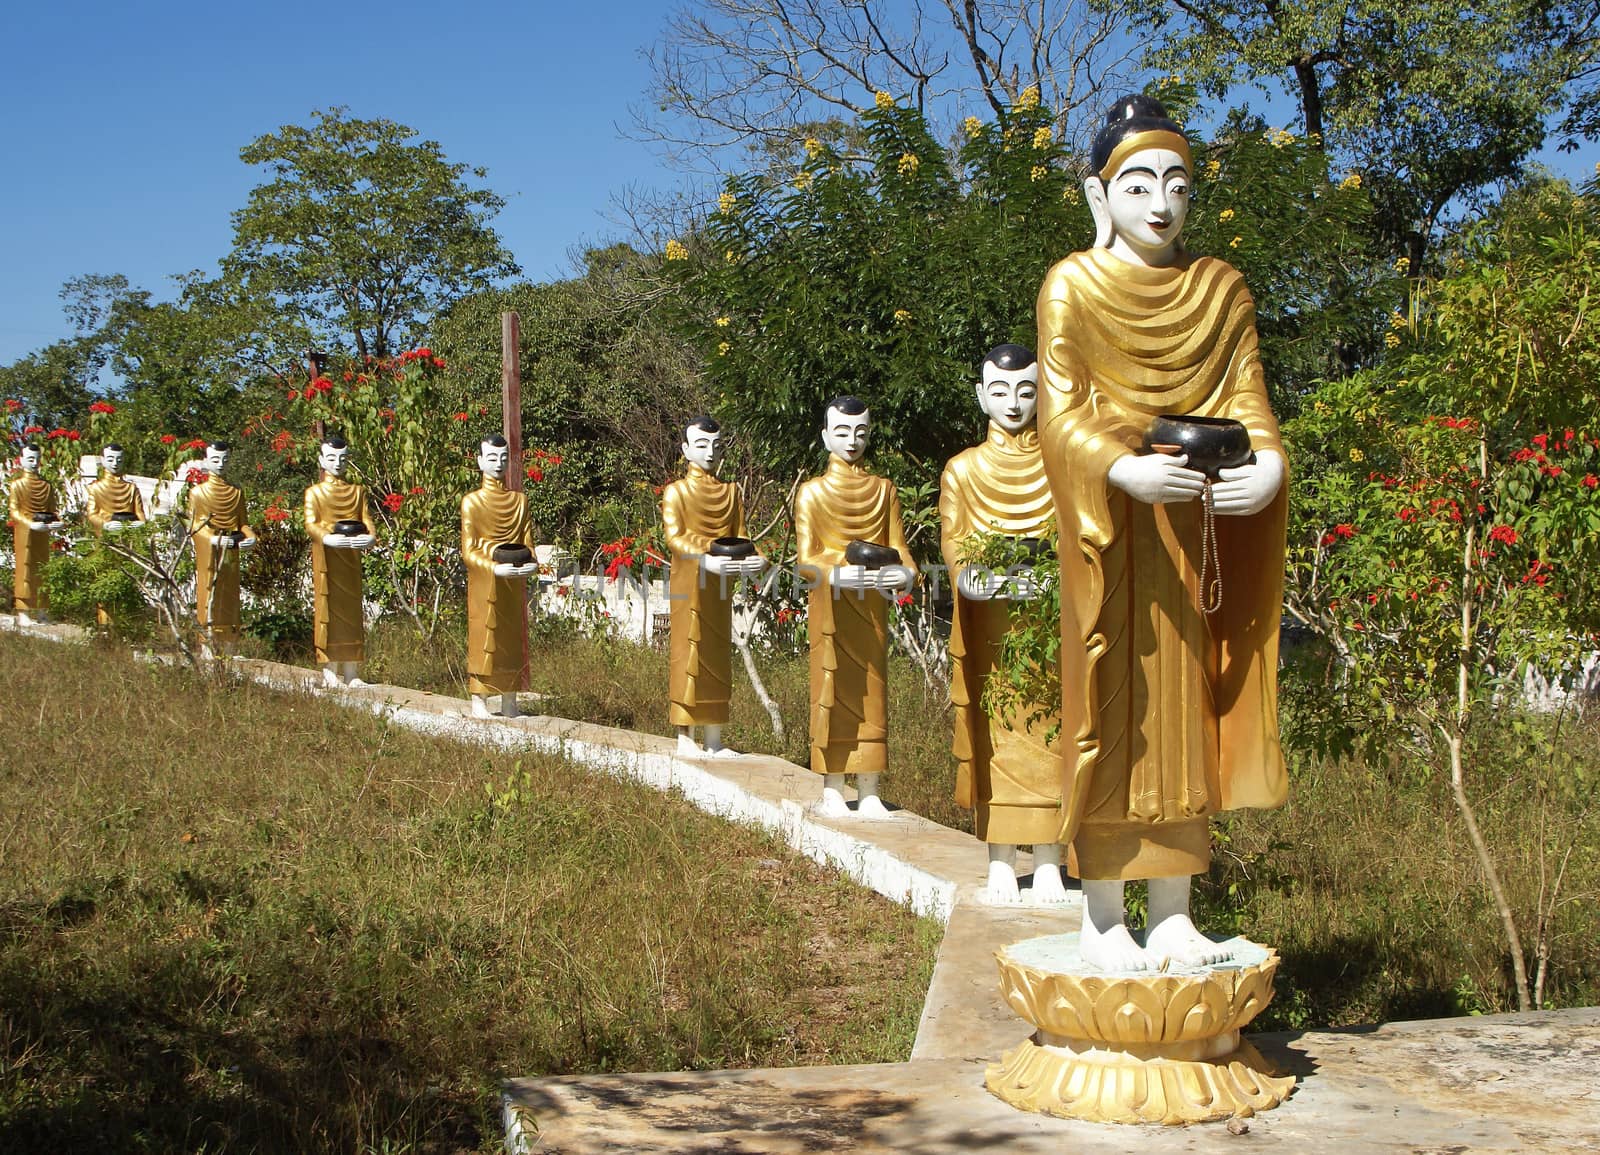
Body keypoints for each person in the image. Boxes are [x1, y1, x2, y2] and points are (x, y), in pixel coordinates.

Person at [1036, 94, 1289, 970]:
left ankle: (1175, 907)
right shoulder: (1073, 284)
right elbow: (1060, 417)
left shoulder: (1220, 290)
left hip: (1194, 534)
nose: (1160, 203)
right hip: (1109, 539)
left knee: (1183, 713)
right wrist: (1121, 469)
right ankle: (1102, 913)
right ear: (1099, 198)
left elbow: (1248, 402)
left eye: (1177, 184)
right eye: (1138, 182)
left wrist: (1269, 469)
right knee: (1110, 709)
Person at [941, 344, 1067, 904]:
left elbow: (1078, 539)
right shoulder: (962, 470)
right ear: (980, 396)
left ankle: (1048, 862)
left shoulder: (1062, 464)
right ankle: (998, 857)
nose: (1013, 403)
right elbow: (956, 547)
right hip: (990, 626)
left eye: (1024, 390)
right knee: (992, 735)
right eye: (999, 391)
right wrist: (978, 578)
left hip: (1048, 626)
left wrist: (1052, 580)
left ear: (1042, 393)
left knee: (1054, 733)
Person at [795, 396, 916, 818]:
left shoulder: (884, 491)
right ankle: (832, 784)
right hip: (832, 607)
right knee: (831, 688)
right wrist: (837, 573)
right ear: (826, 435)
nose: (852, 441)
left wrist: (902, 575)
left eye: (860, 432)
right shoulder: (812, 493)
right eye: (842, 432)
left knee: (872, 692)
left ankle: (869, 787)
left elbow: (901, 552)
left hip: (871, 610)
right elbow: (806, 558)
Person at [661, 416, 766, 756]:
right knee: (689, 652)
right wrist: (706, 556)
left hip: (720, 586)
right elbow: (675, 537)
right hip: (689, 583)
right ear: (686, 449)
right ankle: (686, 737)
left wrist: (756, 558)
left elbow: (741, 536)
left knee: (718, 655)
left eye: (716, 446)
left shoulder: (731, 492)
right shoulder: (676, 492)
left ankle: (715, 738)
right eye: (702, 445)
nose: (710, 453)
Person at [462, 434, 537, 718]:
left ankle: (510, 701)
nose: (498, 463)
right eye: (492, 458)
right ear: (480, 461)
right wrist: (493, 566)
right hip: (485, 580)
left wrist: (531, 564)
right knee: (485, 636)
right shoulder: (472, 503)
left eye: (503, 458)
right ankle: (479, 700)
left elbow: (527, 545)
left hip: (512, 581)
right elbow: (469, 551)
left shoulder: (519, 501)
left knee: (510, 639)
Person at [304, 437, 376, 687]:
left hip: (350, 560)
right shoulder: (314, 493)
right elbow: (310, 523)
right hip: (327, 561)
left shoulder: (356, 492)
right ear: (322, 461)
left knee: (352, 614)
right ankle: (331, 672)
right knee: (328, 613)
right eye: (331, 458)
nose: (337, 463)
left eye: (342, 458)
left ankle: (352, 672)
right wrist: (328, 538)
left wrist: (368, 539)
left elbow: (366, 521)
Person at [187, 441, 255, 656]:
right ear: (206, 461)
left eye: (225, 460)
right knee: (209, 593)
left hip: (231, 551)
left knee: (230, 596)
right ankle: (208, 646)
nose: (220, 464)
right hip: (211, 553)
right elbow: (196, 526)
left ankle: (229, 646)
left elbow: (242, 522)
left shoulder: (236, 493)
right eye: (215, 460)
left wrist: (251, 537)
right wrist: (214, 540)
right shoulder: (198, 493)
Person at [8, 443, 57, 624]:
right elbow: (14, 511)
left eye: (37, 459)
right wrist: (29, 524)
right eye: (30, 459)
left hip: (42, 533)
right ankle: (23, 612)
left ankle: (43, 612)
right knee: (25, 570)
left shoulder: (46, 486)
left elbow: (52, 510)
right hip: (24, 533)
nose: (34, 462)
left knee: (43, 570)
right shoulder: (17, 485)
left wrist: (56, 522)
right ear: (21, 460)